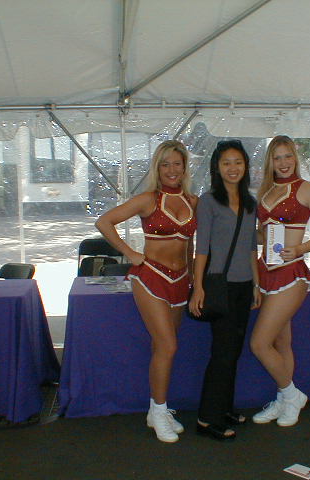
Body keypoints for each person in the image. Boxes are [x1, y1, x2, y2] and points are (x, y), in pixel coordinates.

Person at [95, 140, 197, 443]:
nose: (171, 170)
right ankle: (159, 410)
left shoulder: (194, 201)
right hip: (151, 277)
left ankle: (157, 410)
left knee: (163, 346)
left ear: (184, 167)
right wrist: (130, 253)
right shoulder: (148, 199)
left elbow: (190, 245)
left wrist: (193, 278)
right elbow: (104, 221)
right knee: (168, 346)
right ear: (157, 168)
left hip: (181, 280)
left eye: (176, 163)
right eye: (165, 164)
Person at [250, 135, 310, 427]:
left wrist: (300, 249)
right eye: (277, 158)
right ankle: (284, 399)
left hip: (291, 272)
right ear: (270, 162)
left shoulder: (307, 190)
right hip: (265, 272)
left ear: (296, 158)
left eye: (288, 156)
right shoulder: (265, 191)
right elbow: (262, 235)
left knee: (259, 343)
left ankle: (292, 394)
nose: (283, 163)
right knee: (281, 341)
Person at [188, 140, 261, 441]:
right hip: (220, 286)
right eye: (226, 163)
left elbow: (251, 248)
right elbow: (201, 248)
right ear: (216, 167)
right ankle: (207, 419)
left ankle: (224, 408)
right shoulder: (208, 201)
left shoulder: (250, 203)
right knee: (222, 353)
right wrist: (198, 287)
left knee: (233, 352)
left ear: (246, 166)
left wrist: (256, 284)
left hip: (244, 286)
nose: (233, 168)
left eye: (238, 162)